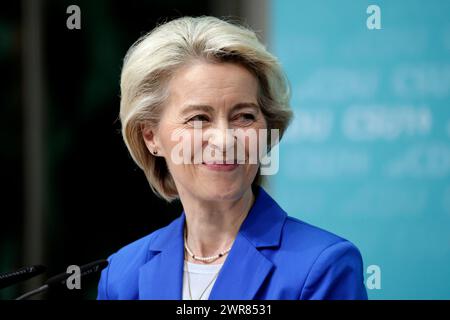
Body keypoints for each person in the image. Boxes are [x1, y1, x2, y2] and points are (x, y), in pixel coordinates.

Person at [97, 16, 368, 300]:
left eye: (244, 117)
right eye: (199, 118)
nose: (225, 140)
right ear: (151, 136)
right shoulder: (121, 275)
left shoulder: (323, 266)